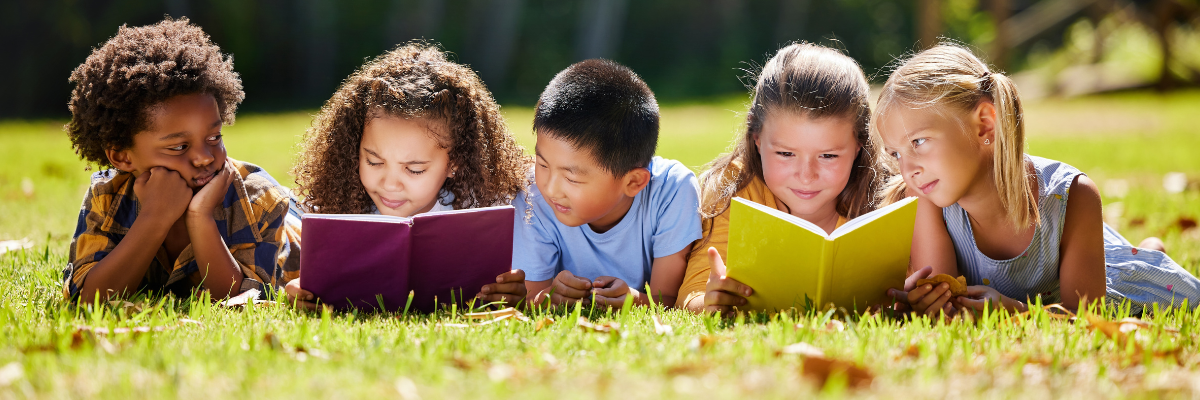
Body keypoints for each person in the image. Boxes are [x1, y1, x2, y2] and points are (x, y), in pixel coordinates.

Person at [877, 44, 1200, 316]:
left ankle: (1145, 254)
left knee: (1144, 285)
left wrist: (1015, 312)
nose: (908, 170)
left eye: (918, 142)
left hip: (1097, 283)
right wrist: (930, 303)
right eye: (895, 154)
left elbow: (1085, 318)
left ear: (985, 126)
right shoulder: (925, 199)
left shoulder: (1072, 195)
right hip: (1051, 284)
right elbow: (947, 303)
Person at [62, 18, 302, 302]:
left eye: (214, 138)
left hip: (300, 221)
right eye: (178, 147)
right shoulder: (107, 196)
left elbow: (242, 300)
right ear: (122, 157)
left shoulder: (260, 199)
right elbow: (87, 299)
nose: (203, 157)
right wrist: (155, 217)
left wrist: (200, 218)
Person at [286, 42, 532, 309]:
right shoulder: (334, 206)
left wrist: (510, 292)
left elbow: (502, 290)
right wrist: (304, 290)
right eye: (374, 161)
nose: (390, 184)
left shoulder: (482, 210)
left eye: (414, 169)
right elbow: (312, 283)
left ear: (456, 162)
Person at [676, 43, 888, 314]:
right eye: (786, 153)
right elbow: (693, 290)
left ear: (859, 145)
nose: (806, 175)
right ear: (757, 139)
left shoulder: (883, 195)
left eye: (828, 156)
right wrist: (711, 299)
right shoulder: (735, 189)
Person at [513, 59, 702, 308]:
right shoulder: (531, 195)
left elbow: (667, 300)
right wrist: (549, 298)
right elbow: (529, 297)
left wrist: (635, 300)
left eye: (572, 177)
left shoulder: (672, 191)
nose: (550, 188)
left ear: (634, 182)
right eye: (543, 164)